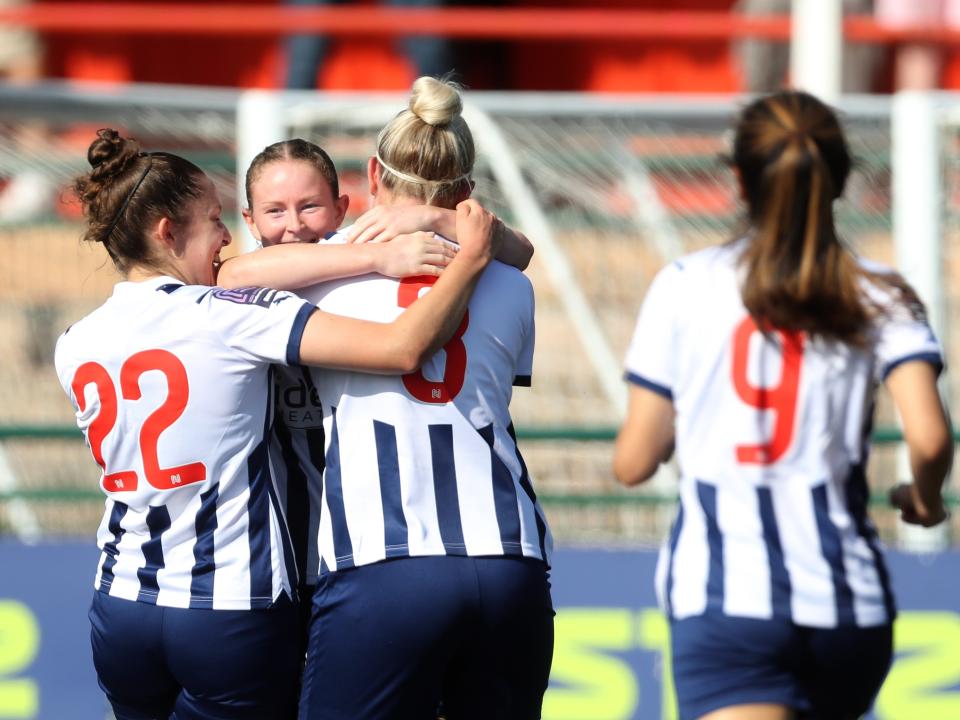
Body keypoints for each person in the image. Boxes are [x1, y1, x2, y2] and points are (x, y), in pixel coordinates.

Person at [53, 127, 498, 719]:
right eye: (215, 220)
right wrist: (466, 258)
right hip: (233, 597)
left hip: (122, 597)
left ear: (342, 206)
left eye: (309, 206)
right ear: (167, 231)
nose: (224, 240)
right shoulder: (229, 313)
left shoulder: (75, 341)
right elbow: (400, 348)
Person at [613, 91, 952, 720]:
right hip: (849, 604)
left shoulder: (686, 285)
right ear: (841, 180)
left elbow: (633, 462)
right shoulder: (883, 293)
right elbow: (931, 439)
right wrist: (925, 500)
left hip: (728, 601)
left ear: (740, 180)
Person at [224, 76, 554, 719]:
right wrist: (443, 222)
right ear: (466, 190)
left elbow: (232, 277)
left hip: (383, 558)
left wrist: (373, 253)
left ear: (373, 176)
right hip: (511, 558)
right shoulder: (512, 285)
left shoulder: (322, 273)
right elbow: (516, 257)